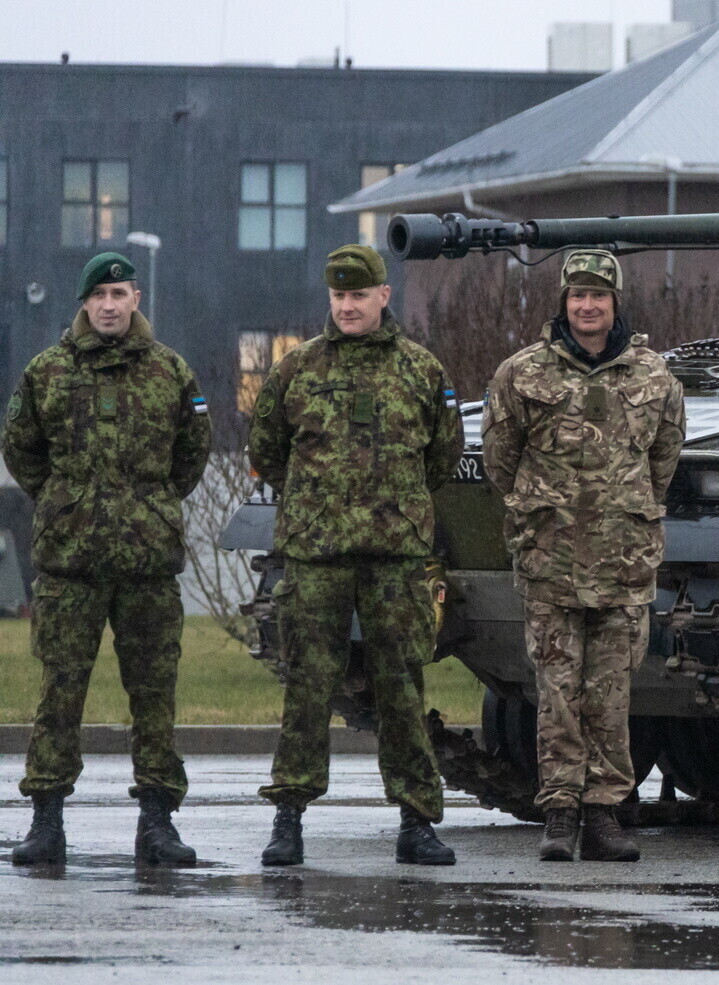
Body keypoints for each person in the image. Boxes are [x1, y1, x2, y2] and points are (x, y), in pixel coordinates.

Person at [251, 244, 463, 867]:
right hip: (316, 557)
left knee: (402, 686)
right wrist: (319, 505)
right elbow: (267, 450)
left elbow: (442, 456)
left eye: (359, 295)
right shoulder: (296, 370)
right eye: (339, 296)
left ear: (383, 296)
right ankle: (288, 818)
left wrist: (393, 507)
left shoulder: (421, 370)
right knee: (307, 687)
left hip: (395, 559)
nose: (347, 306)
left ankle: (416, 822)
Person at [5, 253, 212, 866]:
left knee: (154, 695)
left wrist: (150, 506)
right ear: (84, 303)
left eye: (119, 294)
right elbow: (21, 450)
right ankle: (46, 821)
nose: (109, 305)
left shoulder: (170, 371)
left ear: (135, 298)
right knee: (59, 693)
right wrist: (66, 502)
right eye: (98, 295)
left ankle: (158, 823)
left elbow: (192, 453)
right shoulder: (48, 372)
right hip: (69, 565)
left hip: (147, 565)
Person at [483, 249, 685, 863]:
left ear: (615, 303)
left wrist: (625, 508)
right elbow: (500, 459)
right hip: (551, 559)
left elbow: (664, 457)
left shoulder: (654, 376)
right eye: (577, 295)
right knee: (557, 691)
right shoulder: (522, 374)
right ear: (564, 302)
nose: (587, 306)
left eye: (599, 295)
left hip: (623, 562)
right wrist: (544, 509)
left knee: (612, 695)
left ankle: (603, 813)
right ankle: (560, 813)